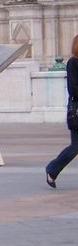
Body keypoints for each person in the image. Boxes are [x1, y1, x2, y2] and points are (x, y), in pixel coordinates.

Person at [46, 35, 78, 188]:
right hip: (77, 110)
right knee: (75, 147)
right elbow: (73, 88)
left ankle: (52, 169)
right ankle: (52, 169)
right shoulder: (73, 63)